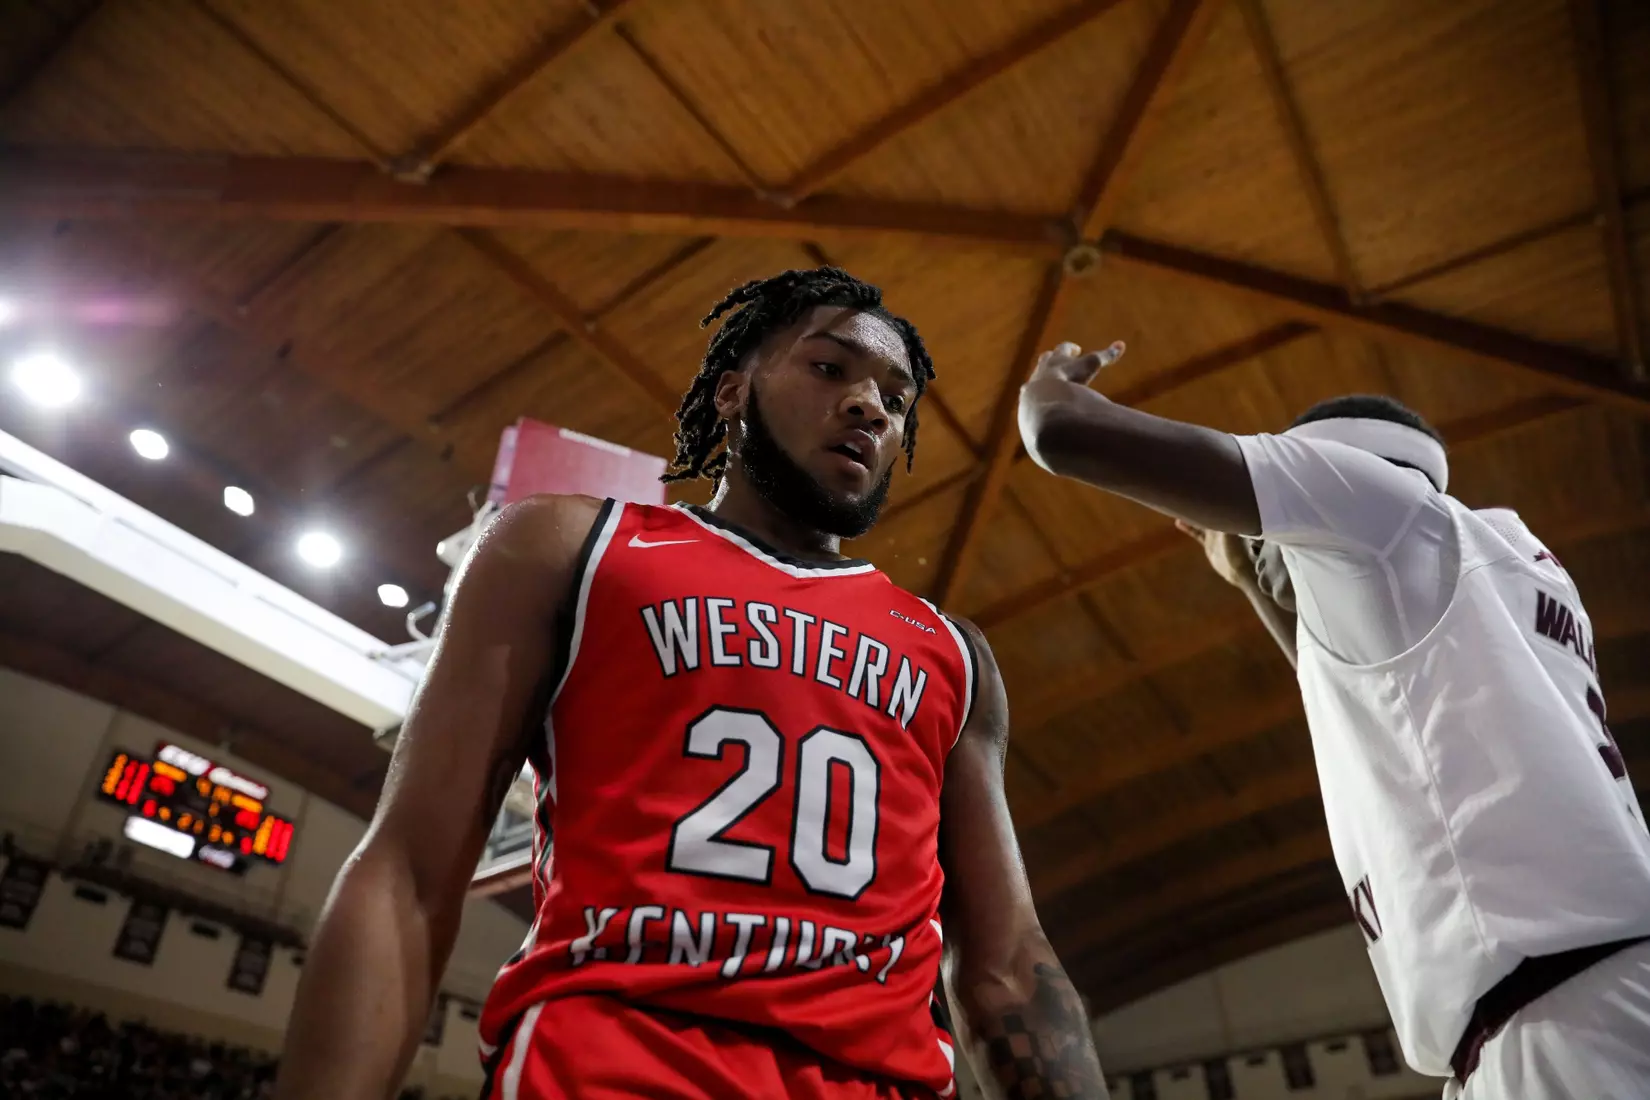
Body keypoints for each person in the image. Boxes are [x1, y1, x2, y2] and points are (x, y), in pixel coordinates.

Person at [274, 270, 1109, 1100]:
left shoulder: (953, 653)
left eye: (896, 399)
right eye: (829, 369)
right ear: (731, 392)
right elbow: (408, 876)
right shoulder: (569, 546)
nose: (869, 407)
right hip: (611, 1067)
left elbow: (1007, 970)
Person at [1016, 341, 1650, 1099]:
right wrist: (1248, 583)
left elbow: (1061, 435)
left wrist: (1046, 381)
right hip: (1579, 999)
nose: (1263, 552)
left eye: (1268, 534)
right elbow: (1379, 716)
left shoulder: (1373, 505)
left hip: (1561, 1017)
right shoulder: (1504, 563)